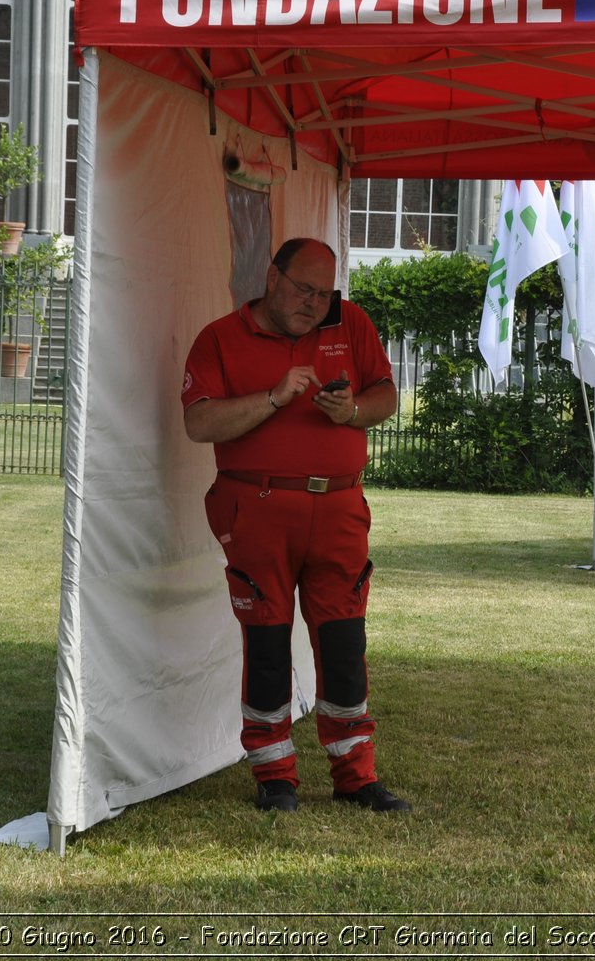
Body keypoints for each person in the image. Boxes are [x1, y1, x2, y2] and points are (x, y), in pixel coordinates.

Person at [181, 237, 408, 814]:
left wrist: (353, 409)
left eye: (325, 293)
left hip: (338, 509)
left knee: (342, 641)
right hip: (255, 509)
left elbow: (387, 394)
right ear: (273, 277)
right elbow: (200, 422)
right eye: (304, 289)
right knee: (266, 642)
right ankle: (274, 774)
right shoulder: (219, 338)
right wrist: (274, 398)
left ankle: (356, 774)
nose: (314, 304)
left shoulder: (349, 323)